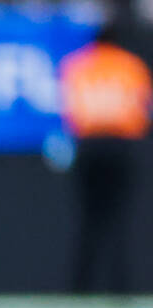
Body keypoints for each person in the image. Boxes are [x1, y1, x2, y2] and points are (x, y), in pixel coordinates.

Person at [59, 22, 152, 293]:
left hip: (90, 146)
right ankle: (120, 287)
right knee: (119, 220)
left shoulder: (78, 65)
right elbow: (142, 111)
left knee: (89, 220)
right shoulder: (131, 66)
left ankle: (81, 287)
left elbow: (71, 110)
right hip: (121, 145)